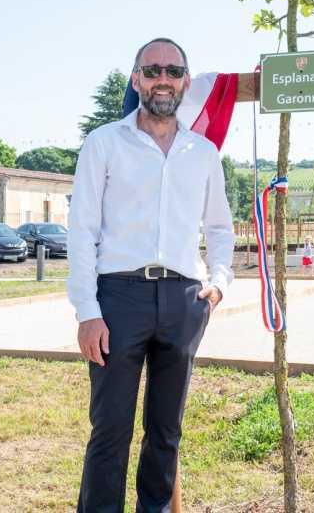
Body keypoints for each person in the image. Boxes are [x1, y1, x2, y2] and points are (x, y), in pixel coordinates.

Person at [68, 37, 235, 512]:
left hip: (184, 300)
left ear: (185, 80)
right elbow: (81, 233)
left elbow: (220, 227)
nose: (164, 78)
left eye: (174, 71)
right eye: (153, 69)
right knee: (110, 432)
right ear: (137, 79)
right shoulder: (104, 144)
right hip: (118, 299)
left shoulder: (202, 153)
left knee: (166, 432)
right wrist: (87, 311)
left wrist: (218, 285)